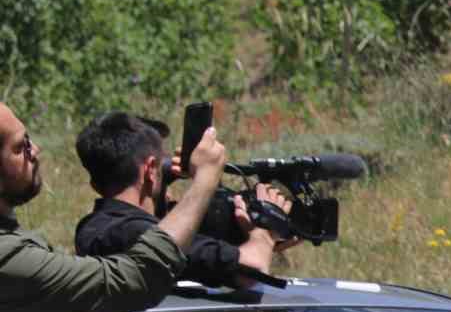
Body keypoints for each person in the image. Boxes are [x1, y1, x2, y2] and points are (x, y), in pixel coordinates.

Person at [0, 100, 227, 312]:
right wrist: (204, 183)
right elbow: (132, 280)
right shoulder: (8, 260)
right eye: (21, 147)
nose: (36, 150)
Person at [72, 112, 295, 288]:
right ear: (150, 170)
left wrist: (248, 236)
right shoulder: (136, 234)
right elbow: (251, 268)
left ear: (95, 185)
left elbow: (200, 253)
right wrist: (264, 235)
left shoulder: (97, 229)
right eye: (161, 167)